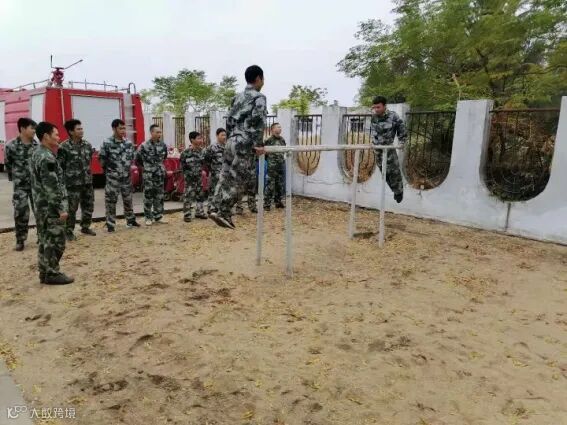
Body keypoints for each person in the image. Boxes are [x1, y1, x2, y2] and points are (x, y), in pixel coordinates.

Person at [209, 65, 267, 229]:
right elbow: (258, 121)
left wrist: (230, 138)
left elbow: (229, 120)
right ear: (258, 78)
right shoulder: (259, 97)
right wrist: (259, 145)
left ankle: (214, 207)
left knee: (224, 175)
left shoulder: (236, 98)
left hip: (231, 141)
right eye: (263, 79)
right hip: (244, 143)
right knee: (238, 179)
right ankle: (224, 212)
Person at [30, 122, 74, 285]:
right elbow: (52, 187)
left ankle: (45, 272)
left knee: (45, 240)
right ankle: (52, 273)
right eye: (55, 134)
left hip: (41, 206)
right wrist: (61, 209)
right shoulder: (46, 157)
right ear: (46, 136)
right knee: (56, 241)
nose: (58, 137)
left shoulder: (37, 153)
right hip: (50, 207)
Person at [58, 119, 96, 240]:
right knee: (71, 209)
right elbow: (60, 166)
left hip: (87, 182)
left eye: (81, 128)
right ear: (71, 131)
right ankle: (69, 231)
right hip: (72, 185)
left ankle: (85, 226)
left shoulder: (87, 145)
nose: (81, 131)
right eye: (78, 129)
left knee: (89, 206)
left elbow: (89, 161)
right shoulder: (63, 147)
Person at [99, 119, 140, 232]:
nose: (123, 130)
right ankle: (110, 224)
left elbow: (132, 158)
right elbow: (102, 160)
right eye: (120, 128)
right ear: (114, 129)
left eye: (124, 128)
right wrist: (111, 171)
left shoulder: (128, 143)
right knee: (111, 201)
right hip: (113, 178)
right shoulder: (107, 143)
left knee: (128, 199)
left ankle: (130, 220)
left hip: (126, 177)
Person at [5, 118, 38, 251]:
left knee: (40, 211)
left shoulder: (36, 145)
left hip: (36, 185)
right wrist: (15, 178)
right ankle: (20, 240)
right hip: (20, 186)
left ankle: (42, 236)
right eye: (32, 128)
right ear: (23, 129)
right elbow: (8, 164)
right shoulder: (11, 145)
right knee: (21, 212)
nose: (34, 131)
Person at [370, 96, 407, 203]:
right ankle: (395, 190)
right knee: (384, 173)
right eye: (374, 107)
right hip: (377, 150)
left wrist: (402, 142)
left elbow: (402, 129)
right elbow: (373, 132)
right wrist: (372, 143)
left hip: (389, 149)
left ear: (384, 106)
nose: (376, 109)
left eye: (378, 107)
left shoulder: (393, 116)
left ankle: (399, 192)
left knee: (394, 172)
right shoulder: (373, 117)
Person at [136, 124, 168, 226]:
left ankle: (158, 216)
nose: (159, 134)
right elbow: (138, 160)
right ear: (151, 132)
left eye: (160, 132)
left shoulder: (163, 145)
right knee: (148, 196)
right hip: (149, 175)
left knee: (159, 196)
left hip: (159, 174)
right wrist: (147, 167)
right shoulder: (144, 146)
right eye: (157, 132)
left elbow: (164, 158)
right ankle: (148, 217)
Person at [180, 131, 207, 222]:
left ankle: (199, 212)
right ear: (192, 140)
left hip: (198, 178)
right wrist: (188, 174)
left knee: (200, 195)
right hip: (189, 179)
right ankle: (187, 214)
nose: (201, 140)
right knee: (188, 196)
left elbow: (203, 163)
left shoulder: (202, 151)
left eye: (201, 138)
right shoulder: (185, 153)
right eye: (199, 138)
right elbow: (182, 166)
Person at [203, 128, 227, 214]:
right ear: (217, 136)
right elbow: (206, 160)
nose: (224, 137)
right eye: (222, 135)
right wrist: (213, 169)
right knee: (213, 191)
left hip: (225, 174)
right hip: (215, 174)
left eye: (225, 135)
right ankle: (210, 209)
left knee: (223, 192)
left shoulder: (227, 147)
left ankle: (220, 209)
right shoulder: (212, 147)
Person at [264, 122, 286, 210]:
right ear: (272, 129)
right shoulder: (268, 140)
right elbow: (264, 152)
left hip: (280, 165)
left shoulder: (282, 140)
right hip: (272, 167)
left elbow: (283, 151)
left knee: (279, 185)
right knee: (270, 185)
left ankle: (278, 202)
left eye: (280, 127)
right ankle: (267, 204)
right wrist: (270, 161)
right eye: (278, 127)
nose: (280, 129)